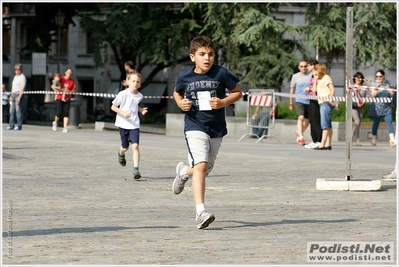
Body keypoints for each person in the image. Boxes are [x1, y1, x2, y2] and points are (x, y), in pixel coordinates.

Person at [172, 36, 242, 229]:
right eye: (202, 54)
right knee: (201, 166)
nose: (207, 58)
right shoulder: (184, 76)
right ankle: (200, 212)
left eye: (211, 54)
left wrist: (222, 102)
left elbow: (237, 92)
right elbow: (177, 92)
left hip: (216, 129)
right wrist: (180, 103)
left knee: (204, 170)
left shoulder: (221, 73)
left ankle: (184, 172)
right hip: (194, 125)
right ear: (193, 57)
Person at [111, 70, 148, 180]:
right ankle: (120, 153)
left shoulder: (139, 96)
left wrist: (141, 110)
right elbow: (113, 107)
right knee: (125, 147)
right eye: (133, 81)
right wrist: (123, 113)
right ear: (128, 82)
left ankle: (136, 169)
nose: (135, 83)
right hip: (123, 124)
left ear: (140, 84)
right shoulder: (122, 94)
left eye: (137, 81)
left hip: (134, 124)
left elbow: (134, 105)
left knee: (135, 146)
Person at [367, 69, 396, 147]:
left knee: (389, 121)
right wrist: (377, 86)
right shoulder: (374, 83)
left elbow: (390, 94)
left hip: (386, 106)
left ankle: (392, 139)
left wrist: (391, 93)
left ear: (384, 76)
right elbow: (373, 95)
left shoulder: (388, 83)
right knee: (376, 123)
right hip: (377, 106)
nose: (378, 78)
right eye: (377, 76)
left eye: (380, 76)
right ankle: (374, 138)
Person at [312, 63, 335, 150]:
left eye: (316, 70)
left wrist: (330, 99)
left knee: (324, 124)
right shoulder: (319, 79)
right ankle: (328, 144)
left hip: (325, 102)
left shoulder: (326, 77)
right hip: (321, 102)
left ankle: (322, 143)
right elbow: (314, 90)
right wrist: (315, 80)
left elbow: (332, 89)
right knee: (328, 124)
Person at [289, 60, 312, 146]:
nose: (303, 68)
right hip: (299, 100)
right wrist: (291, 103)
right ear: (299, 67)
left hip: (309, 100)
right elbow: (292, 89)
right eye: (301, 66)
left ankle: (299, 132)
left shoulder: (311, 75)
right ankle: (301, 137)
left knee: (307, 121)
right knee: (301, 117)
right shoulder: (295, 76)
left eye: (305, 66)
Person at [51, 68, 76, 133]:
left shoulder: (72, 81)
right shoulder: (61, 78)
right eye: (68, 72)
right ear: (65, 72)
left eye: (70, 73)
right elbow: (53, 85)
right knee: (59, 112)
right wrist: (59, 89)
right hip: (59, 97)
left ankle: (65, 127)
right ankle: (55, 122)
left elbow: (73, 91)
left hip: (67, 97)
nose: (69, 74)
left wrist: (69, 91)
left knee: (66, 113)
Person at [304, 59, 322, 149]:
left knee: (316, 119)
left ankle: (319, 139)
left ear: (313, 65)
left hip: (317, 99)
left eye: (308, 65)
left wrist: (310, 89)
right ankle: (314, 139)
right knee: (311, 119)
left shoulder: (318, 75)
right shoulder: (312, 75)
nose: (307, 67)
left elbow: (316, 88)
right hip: (311, 98)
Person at [7, 63, 26, 130]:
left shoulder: (22, 77)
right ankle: (11, 125)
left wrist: (19, 98)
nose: (17, 70)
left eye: (18, 69)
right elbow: (13, 88)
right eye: (16, 69)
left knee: (18, 111)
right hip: (14, 94)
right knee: (11, 111)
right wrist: (11, 96)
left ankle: (19, 125)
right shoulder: (15, 77)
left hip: (18, 94)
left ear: (21, 70)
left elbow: (22, 88)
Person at [351, 72, 367, 146]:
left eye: (360, 77)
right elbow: (350, 97)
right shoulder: (352, 87)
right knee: (357, 121)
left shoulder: (364, 87)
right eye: (357, 77)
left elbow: (367, 96)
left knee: (359, 122)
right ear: (354, 79)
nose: (358, 79)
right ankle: (357, 139)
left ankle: (351, 136)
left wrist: (363, 102)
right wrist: (357, 102)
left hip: (362, 106)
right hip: (353, 106)